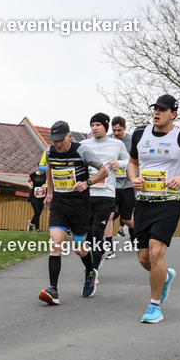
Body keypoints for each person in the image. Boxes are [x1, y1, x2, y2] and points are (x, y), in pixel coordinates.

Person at [128, 94, 180, 324]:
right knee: (144, 258)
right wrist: (133, 178)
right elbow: (132, 162)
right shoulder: (140, 133)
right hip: (144, 202)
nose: (157, 113)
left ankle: (154, 306)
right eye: (155, 109)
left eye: (162, 110)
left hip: (169, 202)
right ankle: (164, 277)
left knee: (156, 252)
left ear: (173, 114)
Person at [38, 120, 107, 305]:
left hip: (79, 205)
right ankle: (53, 290)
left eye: (61, 140)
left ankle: (91, 272)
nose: (58, 144)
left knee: (79, 248)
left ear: (70, 136)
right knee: (56, 242)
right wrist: (50, 193)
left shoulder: (82, 150)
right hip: (60, 203)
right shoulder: (50, 152)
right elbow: (50, 169)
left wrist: (87, 183)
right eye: (54, 141)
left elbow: (104, 171)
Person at [79, 113, 129, 272]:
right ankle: (97, 255)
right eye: (92, 125)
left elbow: (130, 162)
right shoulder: (83, 144)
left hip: (106, 194)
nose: (94, 128)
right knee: (87, 233)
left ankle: (93, 271)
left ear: (105, 126)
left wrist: (119, 163)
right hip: (86, 193)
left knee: (97, 231)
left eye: (98, 125)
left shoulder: (116, 144)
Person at [111, 116, 137, 248]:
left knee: (126, 218)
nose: (116, 134)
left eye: (119, 131)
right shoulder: (109, 140)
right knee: (109, 215)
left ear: (124, 128)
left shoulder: (132, 140)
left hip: (127, 184)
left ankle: (133, 231)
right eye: (114, 130)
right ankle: (107, 245)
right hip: (111, 184)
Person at [27, 164, 47, 231]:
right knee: (37, 211)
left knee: (39, 212)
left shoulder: (47, 175)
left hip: (42, 195)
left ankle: (31, 223)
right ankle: (38, 229)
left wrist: (46, 184)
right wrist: (29, 185)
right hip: (34, 195)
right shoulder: (33, 174)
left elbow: (50, 182)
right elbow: (27, 181)